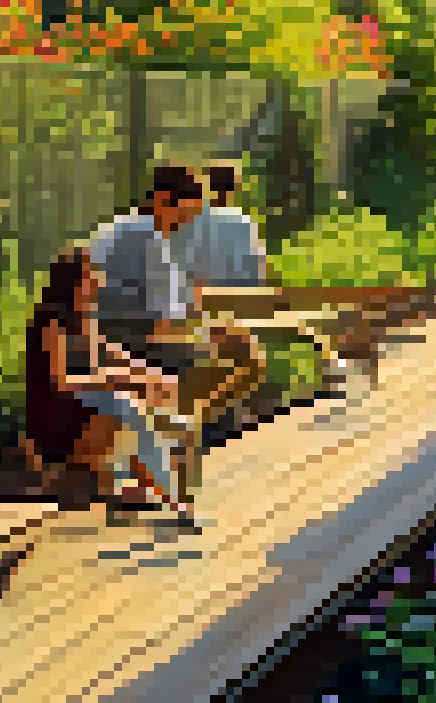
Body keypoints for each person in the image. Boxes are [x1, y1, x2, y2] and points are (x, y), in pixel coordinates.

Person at [26, 245, 194, 522]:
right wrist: (111, 380)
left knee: (148, 399)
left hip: (83, 406)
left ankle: (145, 484)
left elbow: (114, 355)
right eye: (91, 274)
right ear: (74, 281)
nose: (98, 279)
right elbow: (60, 383)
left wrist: (153, 376)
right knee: (125, 403)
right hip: (56, 420)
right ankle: (164, 492)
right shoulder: (51, 323)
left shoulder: (85, 317)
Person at [91, 164, 261, 391]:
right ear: (162, 201)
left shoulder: (122, 228)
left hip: (115, 338)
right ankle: (192, 412)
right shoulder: (147, 239)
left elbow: (173, 300)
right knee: (240, 358)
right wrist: (212, 333)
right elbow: (166, 320)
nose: (183, 227)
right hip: (129, 345)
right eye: (182, 217)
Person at [173, 161, 269, 289]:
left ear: (210, 185)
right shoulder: (245, 221)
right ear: (234, 187)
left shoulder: (195, 221)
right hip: (241, 287)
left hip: (204, 289)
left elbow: (183, 262)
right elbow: (258, 265)